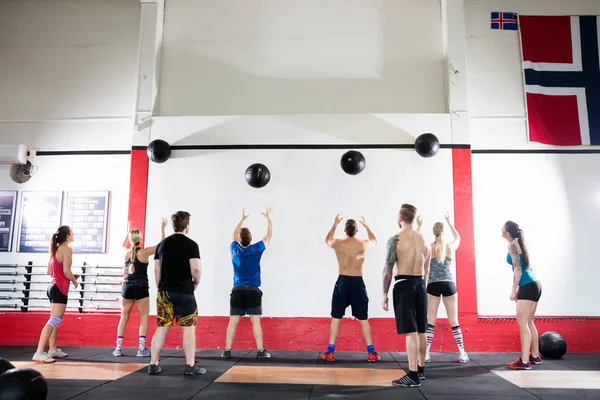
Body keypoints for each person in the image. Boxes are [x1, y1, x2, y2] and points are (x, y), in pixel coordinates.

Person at [148, 211, 205, 376]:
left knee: (161, 328)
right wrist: (197, 282)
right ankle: (190, 366)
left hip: (165, 292)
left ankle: (153, 364)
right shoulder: (191, 245)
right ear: (187, 226)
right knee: (188, 329)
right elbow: (196, 268)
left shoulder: (162, 245)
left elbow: (156, 271)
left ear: (173, 226)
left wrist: (161, 288)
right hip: (185, 293)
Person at [382, 204, 430, 387]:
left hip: (403, 285)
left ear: (400, 218)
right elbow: (427, 271)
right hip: (420, 285)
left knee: (410, 332)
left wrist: (384, 293)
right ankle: (421, 370)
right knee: (421, 330)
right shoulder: (424, 240)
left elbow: (387, 268)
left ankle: (412, 375)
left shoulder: (395, 240)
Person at [321, 214, 380, 363]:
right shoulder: (363, 244)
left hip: (342, 282)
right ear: (357, 230)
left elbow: (327, 240)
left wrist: (334, 224)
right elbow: (375, 241)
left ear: (345, 230)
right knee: (363, 319)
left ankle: (330, 352)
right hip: (357, 282)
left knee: (336, 317)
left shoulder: (338, 243)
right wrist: (367, 226)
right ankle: (371, 353)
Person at [416, 212, 469, 363]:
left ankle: (426, 354)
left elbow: (418, 245)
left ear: (434, 233)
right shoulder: (450, 247)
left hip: (433, 285)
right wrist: (450, 222)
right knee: (454, 320)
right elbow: (458, 238)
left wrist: (419, 225)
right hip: (448, 285)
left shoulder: (429, 248)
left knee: (430, 320)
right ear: (443, 232)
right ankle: (462, 353)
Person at [221, 208, 273, 360]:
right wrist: (268, 219)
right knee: (255, 321)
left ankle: (227, 350)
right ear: (250, 239)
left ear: (239, 239)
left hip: (237, 290)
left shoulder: (234, 249)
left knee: (233, 321)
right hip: (252, 290)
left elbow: (233, 235)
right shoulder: (256, 249)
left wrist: (241, 219)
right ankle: (260, 350)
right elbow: (269, 235)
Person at [113, 218, 167, 357]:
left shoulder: (126, 253)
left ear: (130, 239)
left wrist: (127, 233)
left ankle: (118, 348)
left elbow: (123, 244)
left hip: (127, 287)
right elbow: (162, 245)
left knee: (124, 317)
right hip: (141, 287)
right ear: (140, 239)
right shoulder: (144, 252)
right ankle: (141, 349)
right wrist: (162, 229)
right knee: (143, 317)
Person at [32, 226, 78, 363]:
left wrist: (69, 276)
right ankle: (39, 352)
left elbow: (50, 271)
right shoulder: (67, 249)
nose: (73, 233)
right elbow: (66, 271)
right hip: (59, 289)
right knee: (54, 321)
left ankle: (52, 350)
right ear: (67, 235)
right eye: (72, 232)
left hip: (53, 287)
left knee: (55, 320)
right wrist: (74, 280)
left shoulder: (55, 249)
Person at [502, 221, 542, 370]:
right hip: (534, 284)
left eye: (503, 228)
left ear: (507, 232)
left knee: (522, 323)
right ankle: (535, 356)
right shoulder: (519, 243)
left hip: (528, 285)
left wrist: (513, 289)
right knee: (529, 321)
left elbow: (518, 270)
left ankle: (525, 361)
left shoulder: (512, 245)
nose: (501, 230)